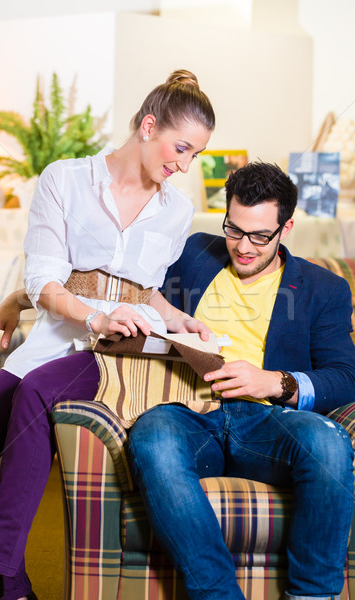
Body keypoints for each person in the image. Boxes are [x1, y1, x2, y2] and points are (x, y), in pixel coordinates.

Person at [0, 69, 215, 600]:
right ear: (148, 125)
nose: (184, 166)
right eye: (181, 149)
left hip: (120, 354)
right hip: (60, 337)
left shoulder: (177, 211)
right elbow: (43, 279)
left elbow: (143, 293)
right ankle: (14, 585)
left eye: (194, 156)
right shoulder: (64, 179)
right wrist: (90, 316)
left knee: (32, 394)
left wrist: (178, 319)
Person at [127, 162, 355, 600]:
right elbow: (120, 272)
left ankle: (311, 596)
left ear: (285, 227)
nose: (243, 247)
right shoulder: (194, 253)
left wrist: (274, 382)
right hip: (190, 415)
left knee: (328, 443)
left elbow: (346, 377)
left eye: (260, 236)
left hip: (268, 423)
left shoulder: (324, 289)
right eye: (234, 230)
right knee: (151, 435)